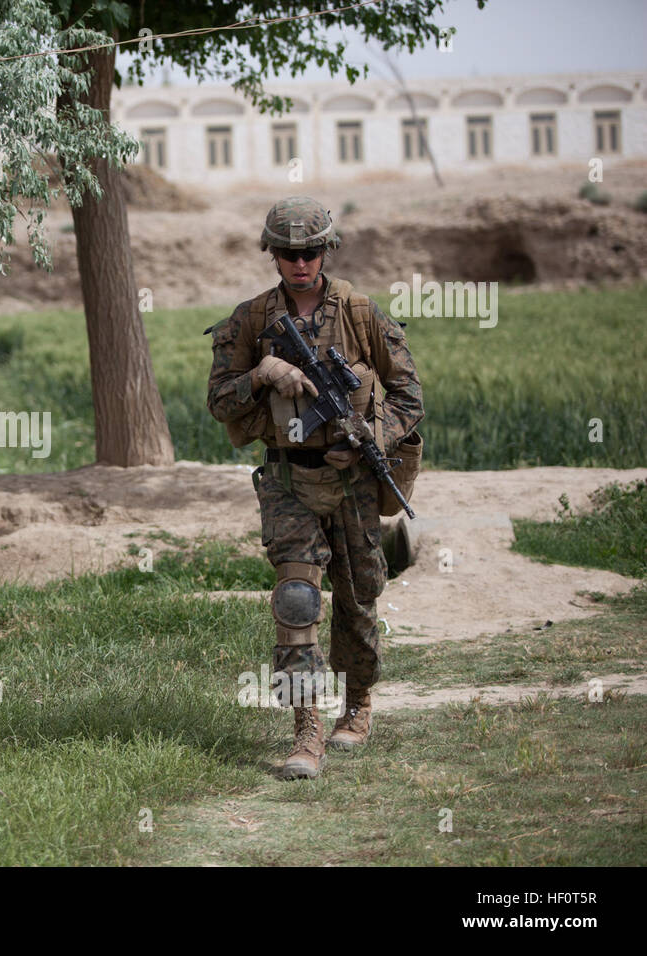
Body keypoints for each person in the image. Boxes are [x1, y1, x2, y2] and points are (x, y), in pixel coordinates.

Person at [206, 197, 424, 779]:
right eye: (287, 252)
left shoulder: (360, 312)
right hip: (287, 477)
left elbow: (410, 397)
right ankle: (306, 729)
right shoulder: (251, 320)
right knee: (297, 597)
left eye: (310, 251)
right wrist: (260, 374)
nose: (299, 262)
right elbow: (219, 401)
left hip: (352, 478)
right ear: (272, 254)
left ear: (327, 250)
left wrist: (368, 437)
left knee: (357, 596)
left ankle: (357, 704)